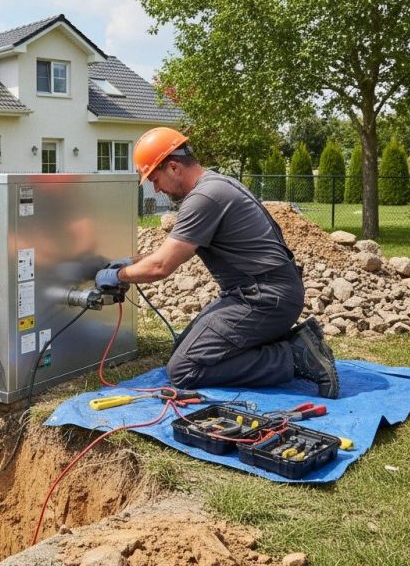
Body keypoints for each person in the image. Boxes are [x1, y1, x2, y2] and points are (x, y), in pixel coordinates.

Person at [95, 127, 339, 398]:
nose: (156, 188)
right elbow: (169, 252)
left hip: (264, 298)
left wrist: (119, 276)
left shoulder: (203, 198)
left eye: (154, 178)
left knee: (184, 369)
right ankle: (295, 342)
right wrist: (127, 263)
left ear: (173, 167)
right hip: (265, 291)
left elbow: (160, 266)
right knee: (182, 352)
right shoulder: (214, 185)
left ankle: (295, 357)